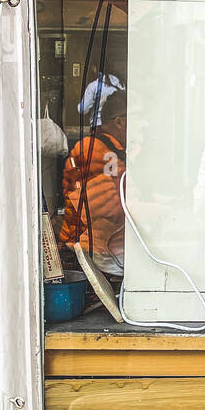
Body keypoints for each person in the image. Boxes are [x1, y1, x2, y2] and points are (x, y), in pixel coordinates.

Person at [58, 90, 127, 276]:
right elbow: (108, 208)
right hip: (100, 246)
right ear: (119, 121)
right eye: (139, 118)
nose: (145, 125)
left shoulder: (110, 149)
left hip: (104, 239)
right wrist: (158, 210)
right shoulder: (96, 152)